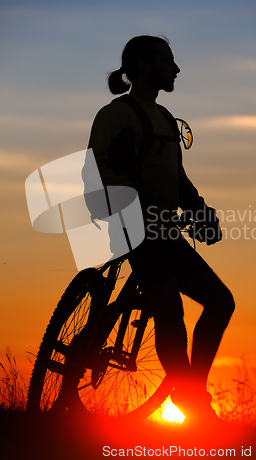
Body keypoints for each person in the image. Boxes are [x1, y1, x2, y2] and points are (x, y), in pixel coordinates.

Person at [84, 35, 235, 423]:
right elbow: (102, 171)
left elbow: (178, 178)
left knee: (221, 302)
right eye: (169, 61)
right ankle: (192, 401)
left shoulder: (166, 118)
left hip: (165, 229)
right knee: (170, 310)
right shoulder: (116, 114)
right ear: (146, 66)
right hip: (134, 225)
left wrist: (200, 211)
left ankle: (191, 392)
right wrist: (141, 199)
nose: (177, 69)